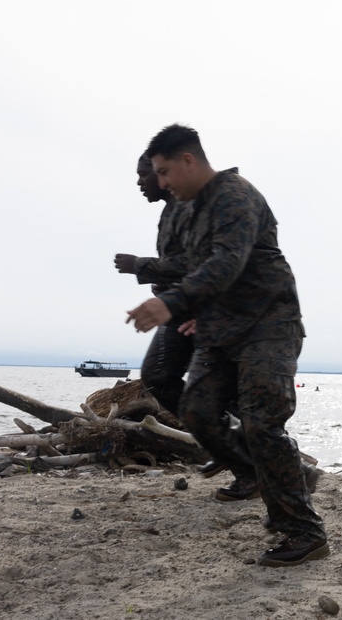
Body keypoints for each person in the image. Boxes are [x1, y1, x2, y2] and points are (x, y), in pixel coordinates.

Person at [125, 124, 327, 567]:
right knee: (198, 413)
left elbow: (226, 262)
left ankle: (303, 531)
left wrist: (170, 303)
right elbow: (190, 265)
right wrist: (165, 285)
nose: (160, 183)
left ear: (188, 161)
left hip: (267, 326)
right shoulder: (188, 209)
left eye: (163, 172)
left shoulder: (235, 195)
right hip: (218, 331)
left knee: (260, 422)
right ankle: (274, 473)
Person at [114, 155, 193, 418]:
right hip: (180, 309)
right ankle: (224, 442)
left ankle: (231, 442)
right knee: (158, 376)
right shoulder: (172, 210)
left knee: (161, 375)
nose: (140, 182)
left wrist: (139, 265)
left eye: (144, 174)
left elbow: (198, 264)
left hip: (193, 310)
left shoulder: (188, 207)